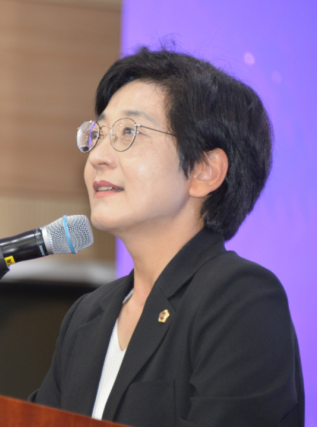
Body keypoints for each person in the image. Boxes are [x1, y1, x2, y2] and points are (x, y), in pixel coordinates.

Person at [29, 47, 304, 427]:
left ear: (205, 171)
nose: (97, 157)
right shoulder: (88, 315)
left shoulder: (240, 298)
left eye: (128, 132)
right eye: (99, 134)